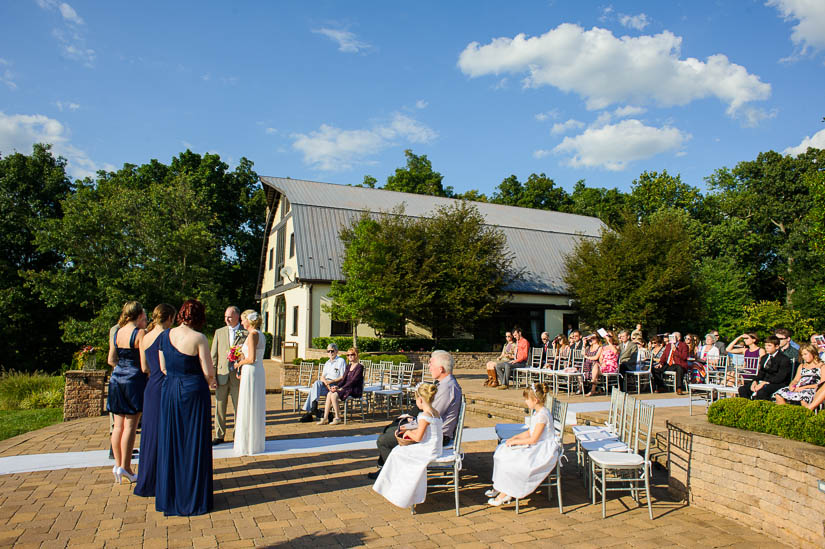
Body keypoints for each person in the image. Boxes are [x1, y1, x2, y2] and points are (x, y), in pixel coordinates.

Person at [156, 299, 216, 516]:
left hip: (170, 389)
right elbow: (208, 372)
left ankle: (169, 496)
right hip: (192, 391)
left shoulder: (165, 336)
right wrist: (212, 382)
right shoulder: (199, 338)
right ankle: (192, 497)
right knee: (193, 442)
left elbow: (163, 367)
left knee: (171, 440)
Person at [368, 350, 462, 480]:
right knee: (391, 428)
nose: (429, 367)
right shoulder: (445, 384)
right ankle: (386, 469)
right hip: (431, 429)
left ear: (441, 369)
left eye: (431, 364)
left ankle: (395, 476)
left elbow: (431, 416)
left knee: (384, 440)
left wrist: (410, 425)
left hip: (436, 435)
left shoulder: (447, 388)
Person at [486, 382, 560, 506]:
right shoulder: (538, 412)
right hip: (537, 443)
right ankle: (501, 486)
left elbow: (533, 439)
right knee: (502, 451)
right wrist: (514, 437)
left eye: (527, 399)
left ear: (535, 400)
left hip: (542, 448)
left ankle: (505, 492)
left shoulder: (543, 415)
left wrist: (516, 442)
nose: (525, 402)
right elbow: (530, 431)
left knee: (514, 459)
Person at [372, 383, 443, 509]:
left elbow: (418, 437)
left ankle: (396, 488)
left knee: (396, 452)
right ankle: (392, 485)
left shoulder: (425, 416)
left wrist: (407, 432)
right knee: (397, 452)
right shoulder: (435, 412)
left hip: (428, 450)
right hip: (435, 447)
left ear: (420, 400)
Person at [134, 303, 176, 498]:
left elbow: (144, 368)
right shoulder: (167, 336)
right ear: (168, 318)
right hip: (165, 387)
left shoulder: (144, 336)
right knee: (166, 433)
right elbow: (169, 366)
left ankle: (147, 480)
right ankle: (164, 480)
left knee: (150, 435)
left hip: (151, 388)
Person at [107, 301, 147, 484]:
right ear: (139, 315)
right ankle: (127, 467)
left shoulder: (117, 332)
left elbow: (111, 359)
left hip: (116, 379)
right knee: (131, 425)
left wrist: (121, 369)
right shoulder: (139, 334)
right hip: (133, 380)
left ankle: (117, 465)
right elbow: (145, 364)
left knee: (118, 426)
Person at [210, 306, 247, 445]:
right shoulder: (219, 332)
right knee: (219, 406)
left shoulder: (245, 333)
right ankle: (219, 434)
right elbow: (213, 356)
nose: (227, 319)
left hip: (238, 375)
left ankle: (238, 434)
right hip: (222, 374)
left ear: (237, 316)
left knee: (239, 406)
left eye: (230, 317)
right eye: (225, 316)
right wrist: (212, 376)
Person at [233, 310, 267, 456]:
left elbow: (252, 358)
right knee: (253, 403)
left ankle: (248, 443)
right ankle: (254, 442)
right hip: (255, 371)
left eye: (242, 320)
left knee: (249, 403)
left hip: (252, 369)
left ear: (249, 320)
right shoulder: (260, 334)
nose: (241, 323)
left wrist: (239, 363)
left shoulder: (253, 335)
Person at [300, 343, 346, 422]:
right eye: (328, 351)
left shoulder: (341, 361)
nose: (330, 353)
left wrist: (331, 381)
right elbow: (322, 377)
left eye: (332, 351)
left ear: (336, 351)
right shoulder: (327, 363)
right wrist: (326, 383)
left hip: (335, 384)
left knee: (313, 390)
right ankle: (313, 408)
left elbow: (342, 377)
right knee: (317, 383)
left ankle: (310, 412)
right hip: (326, 384)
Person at [738, 336, 792, 400]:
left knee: (762, 392)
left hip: (777, 383)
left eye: (769, 346)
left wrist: (764, 383)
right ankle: (748, 406)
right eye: (765, 345)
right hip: (763, 381)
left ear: (777, 346)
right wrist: (755, 381)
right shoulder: (765, 357)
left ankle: (761, 408)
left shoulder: (784, 359)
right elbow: (761, 372)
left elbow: (781, 377)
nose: (766, 347)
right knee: (743, 389)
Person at [319, 347, 364, 425]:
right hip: (347, 388)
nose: (350, 356)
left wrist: (342, 388)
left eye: (352, 354)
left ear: (356, 355)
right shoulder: (348, 366)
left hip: (354, 389)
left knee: (334, 395)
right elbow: (343, 379)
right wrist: (337, 386)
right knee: (330, 393)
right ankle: (325, 417)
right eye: (348, 355)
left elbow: (353, 381)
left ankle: (337, 417)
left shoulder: (360, 367)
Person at [586, 331, 618, 396]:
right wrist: (602, 362)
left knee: (595, 370)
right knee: (596, 365)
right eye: (607, 336)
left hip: (612, 366)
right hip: (604, 365)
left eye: (609, 336)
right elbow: (600, 358)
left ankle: (593, 386)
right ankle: (594, 383)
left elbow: (615, 352)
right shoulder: (604, 347)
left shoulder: (616, 346)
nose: (607, 337)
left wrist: (609, 342)